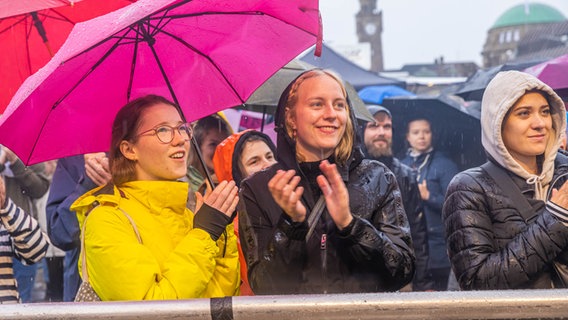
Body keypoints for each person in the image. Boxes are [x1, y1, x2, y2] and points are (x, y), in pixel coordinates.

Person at [238, 69, 415, 294]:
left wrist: (351, 226)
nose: (331, 114)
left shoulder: (378, 178)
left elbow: (402, 271)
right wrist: (291, 225)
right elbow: (264, 285)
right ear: (291, 118)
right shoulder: (258, 188)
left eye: (339, 105)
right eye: (317, 104)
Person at [70, 94, 240, 300]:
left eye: (182, 129)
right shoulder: (107, 220)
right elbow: (151, 307)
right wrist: (204, 234)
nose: (180, 140)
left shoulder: (187, 213)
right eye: (163, 131)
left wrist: (220, 235)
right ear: (129, 150)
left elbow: (215, 301)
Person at [443, 70, 568, 290]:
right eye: (524, 113)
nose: (540, 123)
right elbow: (477, 283)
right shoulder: (469, 188)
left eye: (545, 111)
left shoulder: (565, 171)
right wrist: (555, 221)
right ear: (497, 122)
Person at [362, 105, 432, 291]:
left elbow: (417, 231)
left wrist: (423, 282)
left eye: (386, 127)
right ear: (360, 130)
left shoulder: (405, 174)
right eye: (374, 126)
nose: (381, 132)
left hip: (398, 274)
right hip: (357, 274)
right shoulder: (349, 172)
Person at [213, 129, 277, 295]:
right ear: (236, 175)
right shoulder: (233, 230)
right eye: (254, 162)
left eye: (270, 157)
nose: (267, 165)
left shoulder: (295, 206)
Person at [401, 117, 458, 291]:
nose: (422, 136)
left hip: (438, 251)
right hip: (412, 249)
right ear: (408, 137)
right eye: (416, 132)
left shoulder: (444, 165)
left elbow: (455, 206)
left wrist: (429, 196)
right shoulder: (400, 165)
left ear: (432, 135)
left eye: (426, 131)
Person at [46, 152, 111, 301]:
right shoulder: (74, 158)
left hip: (145, 288)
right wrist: (89, 185)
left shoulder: (150, 147)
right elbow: (59, 232)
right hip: (86, 288)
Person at [0, 146, 50, 302]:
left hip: (22, 231)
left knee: (24, 296)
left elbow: (40, 188)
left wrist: (15, 162)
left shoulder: (25, 147)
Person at [187, 113, 232, 195]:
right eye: (213, 144)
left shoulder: (229, 183)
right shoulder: (183, 184)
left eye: (224, 143)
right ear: (198, 146)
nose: (220, 150)